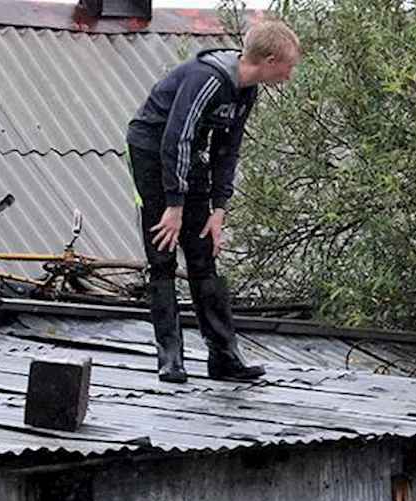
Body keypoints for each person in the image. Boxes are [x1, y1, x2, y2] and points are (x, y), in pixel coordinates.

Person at [125, 19, 300, 383]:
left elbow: (227, 149)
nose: (290, 73)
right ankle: (170, 357)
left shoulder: (245, 90)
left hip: (188, 157)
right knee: (163, 253)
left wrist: (218, 208)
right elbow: (177, 137)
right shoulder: (207, 79)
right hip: (152, 151)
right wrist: (174, 206)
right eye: (289, 65)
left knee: (203, 252)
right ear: (269, 60)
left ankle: (223, 356)